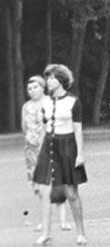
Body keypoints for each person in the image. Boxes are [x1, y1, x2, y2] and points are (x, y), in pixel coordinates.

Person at [31, 63, 87, 246]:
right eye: (47, 78)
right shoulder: (45, 102)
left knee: (71, 192)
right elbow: (42, 127)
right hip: (49, 146)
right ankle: (46, 233)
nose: (49, 81)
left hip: (67, 146)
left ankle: (80, 232)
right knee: (45, 191)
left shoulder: (73, 101)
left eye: (52, 77)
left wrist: (80, 154)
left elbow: (78, 129)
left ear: (61, 80)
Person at [21, 76, 71, 232]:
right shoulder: (26, 106)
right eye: (29, 88)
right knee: (38, 186)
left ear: (43, 87)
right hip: (31, 149)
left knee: (56, 182)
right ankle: (43, 221)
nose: (32, 91)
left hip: (50, 147)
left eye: (35, 87)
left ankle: (63, 220)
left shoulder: (50, 102)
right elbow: (25, 127)